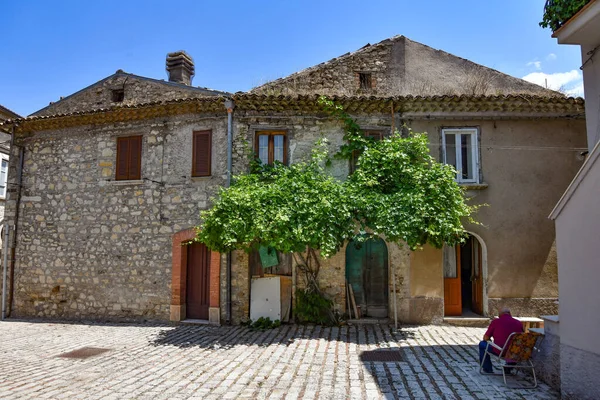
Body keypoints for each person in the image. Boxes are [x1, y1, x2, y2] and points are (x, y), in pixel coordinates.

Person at [479, 307, 523, 373]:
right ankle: (509, 366)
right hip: (515, 352)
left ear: (500, 314)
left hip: (501, 351)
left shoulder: (496, 322)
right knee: (511, 346)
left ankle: (487, 369)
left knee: (482, 344)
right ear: (510, 314)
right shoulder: (518, 323)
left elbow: (486, 338)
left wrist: (490, 340)